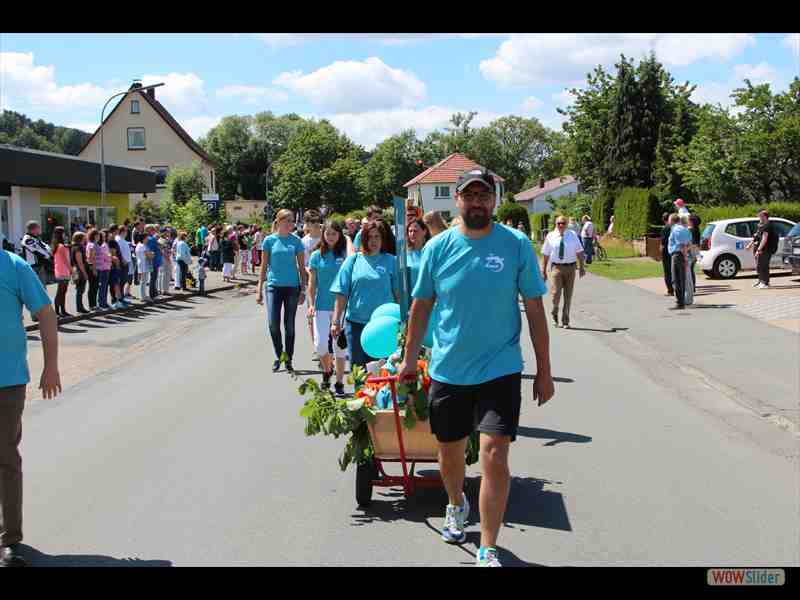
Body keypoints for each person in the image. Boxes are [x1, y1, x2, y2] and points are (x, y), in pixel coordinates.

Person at [397, 167, 554, 568]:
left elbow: (535, 309)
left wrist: (544, 370)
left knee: (494, 454)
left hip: (500, 367)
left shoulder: (516, 244)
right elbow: (421, 306)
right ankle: (455, 504)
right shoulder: (438, 248)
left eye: (484, 195)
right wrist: (410, 359)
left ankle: (488, 545)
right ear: (458, 201)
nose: (477, 202)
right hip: (449, 368)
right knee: (450, 455)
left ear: (495, 200)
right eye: (470, 195)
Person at [0, 247, 61, 567]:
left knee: (5, 459)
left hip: (6, 381)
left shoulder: (13, 265)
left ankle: (9, 539)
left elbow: (46, 313)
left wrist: (51, 367)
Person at [331, 221, 399, 372]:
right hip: (356, 325)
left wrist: (404, 322)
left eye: (377, 236)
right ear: (363, 239)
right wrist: (335, 321)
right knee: (358, 372)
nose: (373, 241)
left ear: (383, 239)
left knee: (382, 373)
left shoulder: (391, 261)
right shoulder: (353, 260)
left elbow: (398, 294)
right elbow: (341, 293)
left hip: (383, 326)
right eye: (370, 237)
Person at [257, 209, 306, 373]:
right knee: (273, 324)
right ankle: (280, 355)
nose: (291, 224)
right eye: (288, 220)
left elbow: (302, 268)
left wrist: (303, 290)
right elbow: (263, 266)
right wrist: (259, 289)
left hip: (292, 287)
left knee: (289, 325)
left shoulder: (296, 241)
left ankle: (289, 359)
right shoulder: (269, 241)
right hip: (273, 286)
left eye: (292, 221)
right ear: (279, 222)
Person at [308, 220, 348, 395]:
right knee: (320, 345)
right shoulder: (316, 256)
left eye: (334, 233)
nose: (331, 237)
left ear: (339, 235)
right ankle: (327, 369)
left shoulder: (345, 255)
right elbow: (312, 284)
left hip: (341, 306)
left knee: (340, 347)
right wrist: (311, 304)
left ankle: (339, 382)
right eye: (328, 233)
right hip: (322, 306)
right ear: (323, 235)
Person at [541, 216, 586, 329]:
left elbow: (579, 251)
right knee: (555, 293)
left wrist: (582, 267)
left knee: (568, 295)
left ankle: (565, 320)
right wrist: (543, 271)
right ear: (555, 224)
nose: (561, 225)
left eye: (563, 223)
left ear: (566, 224)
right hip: (556, 268)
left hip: (571, 268)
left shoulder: (572, 235)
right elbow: (545, 254)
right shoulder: (550, 236)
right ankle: (554, 312)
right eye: (559, 223)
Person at [302, 210, 323, 354]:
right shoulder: (304, 242)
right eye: (312, 222)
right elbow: (302, 263)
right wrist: (310, 273)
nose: (316, 224)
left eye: (317, 221)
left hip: (326, 281)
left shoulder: (325, 237)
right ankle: (316, 345)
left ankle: (327, 343)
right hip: (311, 281)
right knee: (312, 312)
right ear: (307, 224)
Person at [746, 208, 778, 289]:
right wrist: (750, 244)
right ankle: (761, 281)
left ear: (764, 216)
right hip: (759, 247)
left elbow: (764, 239)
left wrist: (759, 250)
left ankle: (765, 283)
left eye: (760, 216)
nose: (759, 217)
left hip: (765, 249)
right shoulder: (761, 225)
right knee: (759, 266)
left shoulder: (767, 226)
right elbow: (756, 236)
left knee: (762, 265)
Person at [667, 213, 691, 309]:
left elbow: (682, 245)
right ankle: (681, 301)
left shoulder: (676, 229)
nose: (668, 222)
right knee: (681, 279)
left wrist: (685, 257)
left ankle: (680, 302)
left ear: (672, 220)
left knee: (676, 279)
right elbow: (688, 244)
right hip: (681, 255)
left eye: (669, 220)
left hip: (678, 255)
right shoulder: (684, 229)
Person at [21, 221, 52, 288]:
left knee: (42, 288)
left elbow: (47, 247)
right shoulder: (28, 239)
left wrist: (48, 252)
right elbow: (40, 251)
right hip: (33, 267)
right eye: (38, 228)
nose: (39, 229)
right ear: (33, 229)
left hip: (39, 266)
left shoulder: (35, 238)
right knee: (35, 288)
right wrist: (48, 255)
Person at [51, 226, 72, 318]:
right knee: (61, 292)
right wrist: (71, 270)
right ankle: (58, 311)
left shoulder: (56, 245)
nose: (65, 235)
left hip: (60, 270)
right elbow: (65, 260)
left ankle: (62, 311)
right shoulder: (61, 246)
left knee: (62, 292)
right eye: (64, 233)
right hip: (63, 271)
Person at [406, 218, 430, 289]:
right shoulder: (404, 255)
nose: (412, 234)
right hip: (409, 294)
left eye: (415, 231)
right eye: (410, 231)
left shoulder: (430, 252)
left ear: (424, 232)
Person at [70, 232, 90, 314]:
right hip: (79, 271)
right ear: (80, 238)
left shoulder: (75, 247)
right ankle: (79, 307)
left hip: (77, 270)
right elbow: (80, 262)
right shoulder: (78, 248)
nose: (85, 238)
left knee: (80, 289)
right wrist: (85, 273)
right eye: (84, 237)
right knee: (80, 289)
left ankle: (80, 307)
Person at [116, 224, 134, 300]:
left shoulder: (122, 239)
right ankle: (120, 298)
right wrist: (123, 260)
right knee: (121, 281)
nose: (127, 233)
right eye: (126, 231)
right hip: (122, 263)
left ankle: (122, 297)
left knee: (123, 281)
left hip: (126, 262)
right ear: (123, 232)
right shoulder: (119, 240)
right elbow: (119, 252)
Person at [95, 231, 112, 310]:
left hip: (106, 267)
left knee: (104, 286)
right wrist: (110, 257)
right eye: (104, 236)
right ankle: (102, 302)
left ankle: (104, 302)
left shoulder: (104, 245)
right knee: (103, 286)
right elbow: (105, 256)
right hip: (104, 268)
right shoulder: (103, 245)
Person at [145, 225, 162, 300]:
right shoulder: (151, 239)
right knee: (153, 278)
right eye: (153, 230)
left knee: (153, 277)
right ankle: (153, 295)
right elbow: (153, 249)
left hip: (153, 260)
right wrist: (159, 246)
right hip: (154, 260)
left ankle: (154, 293)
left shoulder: (150, 238)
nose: (154, 231)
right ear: (149, 230)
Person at [659, 213, 674, 297]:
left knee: (667, 271)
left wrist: (660, 251)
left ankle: (670, 290)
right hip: (673, 251)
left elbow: (663, 242)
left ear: (663, 219)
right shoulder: (674, 228)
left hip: (666, 252)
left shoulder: (665, 229)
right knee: (674, 270)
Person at [85, 229, 100, 310]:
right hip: (93, 268)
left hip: (94, 267)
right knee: (93, 287)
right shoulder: (92, 245)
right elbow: (91, 258)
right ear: (94, 236)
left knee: (94, 286)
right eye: (97, 235)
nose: (99, 236)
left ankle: (93, 304)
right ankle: (92, 305)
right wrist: (94, 269)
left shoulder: (91, 244)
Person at [134, 233, 151, 301]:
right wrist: (152, 254)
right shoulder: (142, 246)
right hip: (143, 264)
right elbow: (148, 255)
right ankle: (143, 296)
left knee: (143, 280)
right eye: (147, 238)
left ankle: (144, 295)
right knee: (143, 281)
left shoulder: (139, 245)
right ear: (143, 239)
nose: (147, 239)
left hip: (142, 264)